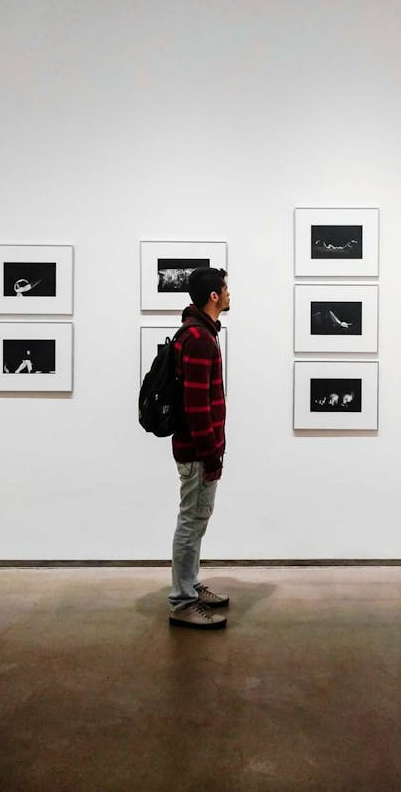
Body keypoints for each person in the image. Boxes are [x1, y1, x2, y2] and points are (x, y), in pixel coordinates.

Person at [168, 267, 230, 629]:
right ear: (213, 296)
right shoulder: (199, 339)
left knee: (196, 521)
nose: (228, 295)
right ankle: (181, 602)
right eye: (225, 289)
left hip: (199, 450)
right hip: (197, 451)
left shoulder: (200, 334)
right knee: (191, 522)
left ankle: (189, 586)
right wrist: (210, 454)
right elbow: (195, 406)